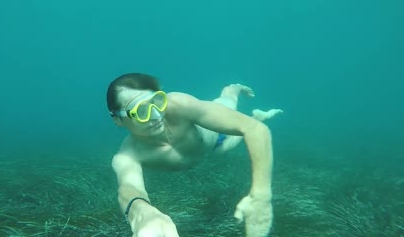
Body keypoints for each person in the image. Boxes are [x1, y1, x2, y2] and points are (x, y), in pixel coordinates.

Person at [107, 72, 283, 237]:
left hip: (216, 136)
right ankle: (256, 115)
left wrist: (260, 196)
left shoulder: (179, 105)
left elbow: (254, 129)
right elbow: (129, 188)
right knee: (227, 147)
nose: (155, 115)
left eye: (157, 101)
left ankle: (232, 89)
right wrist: (144, 214)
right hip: (214, 150)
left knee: (227, 102)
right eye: (140, 111)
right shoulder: (127, 156)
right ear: (117, 119)